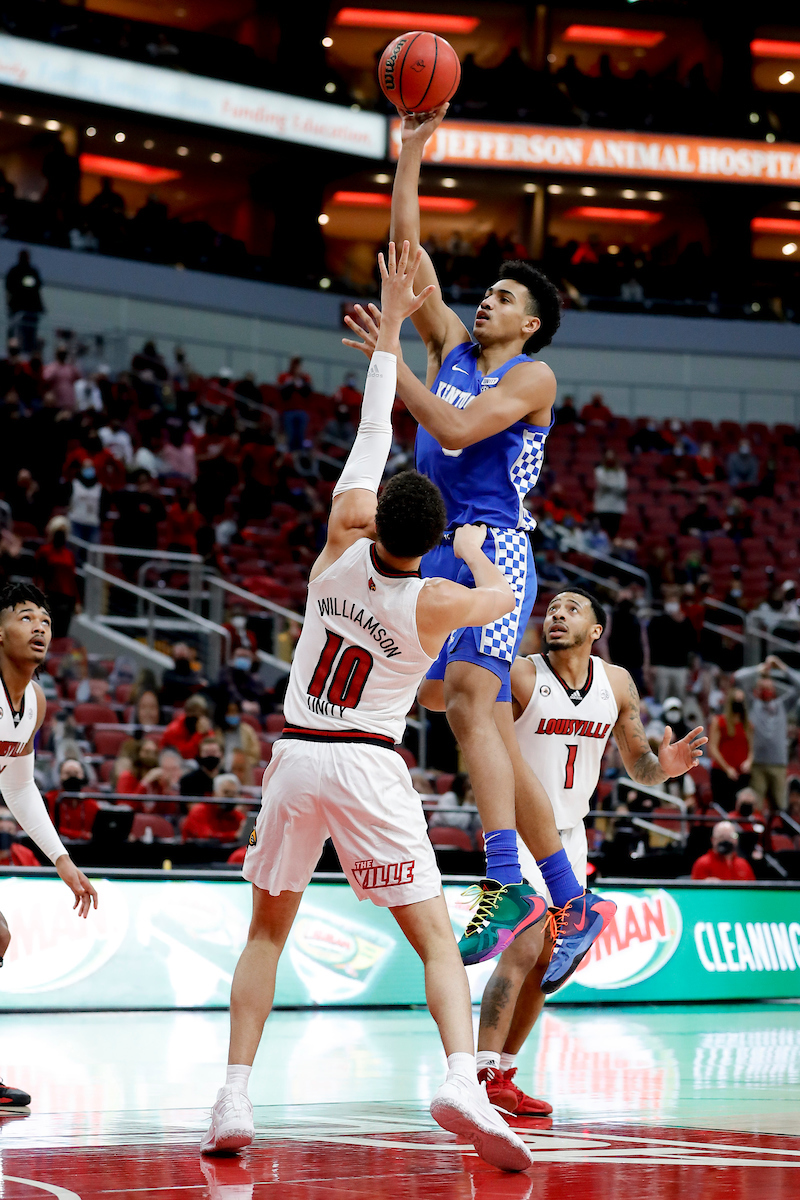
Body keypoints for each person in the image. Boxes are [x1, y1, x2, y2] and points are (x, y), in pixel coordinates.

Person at [202, 243, 534, 1172]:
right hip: (368, 764)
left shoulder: (336, 551)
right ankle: (461, 1079)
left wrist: (389, 333)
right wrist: (469, 555)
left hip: (296, 755)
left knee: (267, 931)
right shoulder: (434, 599)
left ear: (377, 517)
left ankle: (233, 1096)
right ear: (424, 545)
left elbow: (372, 430)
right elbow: (504, 604)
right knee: (434, 938)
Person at [346, 106, 595, 964]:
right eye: (486, 290)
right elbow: (409, 260)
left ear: (528, 323)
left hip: (493, 547)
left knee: (468, 710)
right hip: (431, 544)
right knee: (464, 711)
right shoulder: (451, 341)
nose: (485, 299)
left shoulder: (534, 375)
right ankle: (568, 897)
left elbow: (455, 433)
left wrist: (392, 365)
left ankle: (507, 882)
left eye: (505, 297)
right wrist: (411, 155)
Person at [472, 587, 705, 1116]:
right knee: (523, 949)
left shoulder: (616, 683)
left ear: (596, 630)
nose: (556, 614)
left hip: (571, 838)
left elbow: (638, 764)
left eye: (571, 608)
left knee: (547, 965)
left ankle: (503, 1076)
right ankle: (477, 1075)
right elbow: (485, 753)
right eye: (551, 608)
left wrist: (663, 767)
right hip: (519, 833)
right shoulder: (520, 676)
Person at [0, 583, 97, 1111]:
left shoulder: (32, 702)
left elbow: (17, 786)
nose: (39, 626)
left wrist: (62, 861)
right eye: (24, 616)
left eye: (45, 619)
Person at [734, 655, 800, 812]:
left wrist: (783, 668)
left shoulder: (782, 705)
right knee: (756, 807)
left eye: (769, 688)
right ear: (757, 690)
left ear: (775, 690)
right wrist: (759, 669)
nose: (767, 691)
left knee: (781, 807)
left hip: (779, 763)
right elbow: (738, 679)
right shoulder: (752, 704)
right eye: (763, 688)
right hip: (758, 763)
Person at [708, 687, 753, 811]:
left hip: (742, 773)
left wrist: (749, 761)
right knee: (724, 807)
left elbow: (752, 748)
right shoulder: (719, 721)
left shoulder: (747, 724)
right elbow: (713, 747)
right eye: (736, 700)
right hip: (722, 772)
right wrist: (727, 769)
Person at [647, 593, 698, 702]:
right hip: (662, 667)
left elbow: (692, 643)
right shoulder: (657, 620)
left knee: (680, 698)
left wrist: (682, 622)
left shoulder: (685, 622)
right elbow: (652, 644)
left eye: (674, 602)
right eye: (670, 601)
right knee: (661, 698)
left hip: (680, 667)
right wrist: (652, 664)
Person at [34, 517, 79, 638]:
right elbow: (37, 575)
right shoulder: (44, 551)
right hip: (51, 596)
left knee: (63, 631)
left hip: (67, 598)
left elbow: (72, 579)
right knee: (49, 629)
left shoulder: (69, 554)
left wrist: (77, 602)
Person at [183, 773, 244, 842]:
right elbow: (206, 837)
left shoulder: (236, 815)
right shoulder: (199, 811)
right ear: (214, 793)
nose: (230, 797)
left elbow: (245, 832)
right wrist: (233, 836)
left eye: (234, 793)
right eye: (226, 792)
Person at [5, 250, 43, 354]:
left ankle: (28, 352)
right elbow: (8, 290)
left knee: (30, 335)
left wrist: (40, 308)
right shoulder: (14, 272)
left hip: (31, 311)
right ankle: (13, 353)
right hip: (17, 310)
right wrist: (10, 307)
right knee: (15, 334)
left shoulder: (33, 272)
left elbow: (37, 290)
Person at [691, 820, 755, 881]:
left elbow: (753, 890)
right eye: (721, 837)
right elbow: (694, 891)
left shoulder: (743, 864)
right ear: (713, 840)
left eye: (729, 837)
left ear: (736, 840)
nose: (725, 841)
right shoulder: (702, 864)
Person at [592, 448, 627, 539]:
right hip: (602, 507)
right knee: (602, 532)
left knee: (613, 534)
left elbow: (622, 487)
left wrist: (610, 486)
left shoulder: (620, 472)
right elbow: (602, 484)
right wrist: (615, 486)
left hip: (616, 508)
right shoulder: (599, 471)